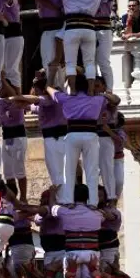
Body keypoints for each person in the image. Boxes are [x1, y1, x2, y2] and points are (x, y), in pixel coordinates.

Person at [49, 73, 106, 205]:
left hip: (73, 134)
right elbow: (114, 100)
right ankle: (93, 202)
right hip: (90, 134)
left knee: (69, 169)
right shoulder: (98, 99)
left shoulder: (66, 98)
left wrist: (49, 80)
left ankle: (68, 199)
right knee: (92, 169)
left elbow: (50, 90)